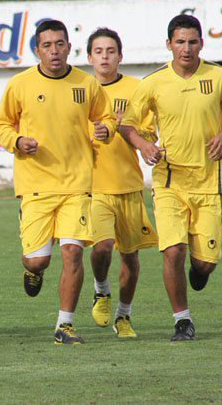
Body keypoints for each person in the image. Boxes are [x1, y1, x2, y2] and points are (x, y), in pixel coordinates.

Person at [120, 14, 222, 341]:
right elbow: (128, 125)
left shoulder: (220, 77)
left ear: (201, 44)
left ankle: (199, 268)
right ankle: (182, 320)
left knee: (204, 265)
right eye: (180, 42)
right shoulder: (153, 82)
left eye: (192, 42)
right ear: (169, 44)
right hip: (169, 182)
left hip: (210, 184)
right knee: (172, 250)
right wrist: (144, 145)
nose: (186, 48)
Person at [0, 20, 116, 344]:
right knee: (39, 259)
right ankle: (32, 271)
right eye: (47, 45)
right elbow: (1, 124)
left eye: (59, 44)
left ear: (68, 47)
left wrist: (106, 130)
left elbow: (106, 117)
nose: (54, 51)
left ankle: (64, 325)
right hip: (35, 184)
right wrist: (17, 141)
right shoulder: (20, 85)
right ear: (37, 50)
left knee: (73, 252)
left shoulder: (87, 85)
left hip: (77, 184)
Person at [86, 28, 158, 338]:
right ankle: (101, 290)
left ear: (120, 55)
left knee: (130, 256)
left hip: (129, 185)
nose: (105, 56)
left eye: (110, 50)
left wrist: (128, 132)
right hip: (93, 186)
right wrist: (97, 131)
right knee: (101, 248)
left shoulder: (136, 89)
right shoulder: (80, 90)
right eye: (99, 51)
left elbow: (150, 134)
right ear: (89, 57)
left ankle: (124, 316)